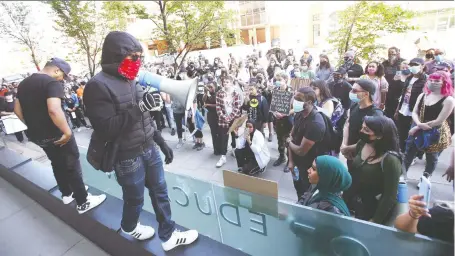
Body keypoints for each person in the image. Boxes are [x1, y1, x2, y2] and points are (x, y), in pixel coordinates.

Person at [83, 31, 197, 250]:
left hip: (149, 148)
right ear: (117, 56)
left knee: (160, 192)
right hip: (127, 156)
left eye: (139, 58)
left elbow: (143, 118)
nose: (137, 62)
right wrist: (140, 108)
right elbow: (106, 129)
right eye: (133, 58)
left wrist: (161, 143)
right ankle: (128, 226)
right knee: (135, 199)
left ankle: (169, 234)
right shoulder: (97, 86)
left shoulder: (131, 79)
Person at [14, 58, 106, 214]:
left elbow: (17, 109)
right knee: (72, 164)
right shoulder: (51, 83)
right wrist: (67, 131)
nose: (63, 79)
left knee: (56, 162)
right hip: (55, 132)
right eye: (63, 75)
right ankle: (83, 202)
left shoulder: (23, 83)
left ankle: (67, 193)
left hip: (37, 135)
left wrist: (33, 125)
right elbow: (54, 110)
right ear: (56, 70)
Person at [343, 116, 402, 224]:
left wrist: (375, 220)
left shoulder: (391, 160)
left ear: (379, 136)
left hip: (373, 208)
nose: (361, 131)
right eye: (362, 127)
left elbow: (389, 196)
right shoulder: (363, 143)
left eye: (366, 130)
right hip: (358, 202)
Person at [403, 71, 454, 188]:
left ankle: (426, 177)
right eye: (431, 80)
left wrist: (417, 126)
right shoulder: (423, 95)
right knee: (409, 152)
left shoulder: (449, 100)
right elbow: (414, 112)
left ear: (444, 82)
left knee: (432, 157)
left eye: (437, 81)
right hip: (418, 126)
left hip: (434, 131)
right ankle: (402, 175)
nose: (433, 83)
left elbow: (439, 121)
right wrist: (418, 124)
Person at [288, 87, 330, 198]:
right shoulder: (299, 114)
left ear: (309, 102)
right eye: (294, 97)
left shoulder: (315, 123)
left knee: (308, 193)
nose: (294, 101)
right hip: (297, 164)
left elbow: (301, 150)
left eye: (298, 99)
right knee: (298, 188)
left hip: (309, 167)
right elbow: (292, 136)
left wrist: (288, 143)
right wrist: (291, 161)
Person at [340, 79, 383, 166]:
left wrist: (348, 148)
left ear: (366, 94)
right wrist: (344, 144)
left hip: (366, 157)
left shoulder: (375, 114)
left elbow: (372, 139)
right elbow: (347, 124)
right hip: (350, 154)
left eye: (355, 90)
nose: (351, 92)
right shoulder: (354, 105)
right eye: (351, 89)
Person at [394, 58, 427, 152]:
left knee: (412, 134)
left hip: (413, 111)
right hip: (403, 109)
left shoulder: (425, 80)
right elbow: (403, 94)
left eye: (416, 65)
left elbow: (423, 100)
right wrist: (397, 109)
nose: (413, 67)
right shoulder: (409, 78)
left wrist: (417, 114)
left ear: (422, 66)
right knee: (401, 132)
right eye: (411, 65)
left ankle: (410, 154)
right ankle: (401, 151)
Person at [215, 75, 242, 168]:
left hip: (234, 118)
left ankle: (234, 149)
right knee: (223, 137)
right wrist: (224, 117)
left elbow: (237, 107)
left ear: (231, 83)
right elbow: (218, 107)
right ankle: (223, 156)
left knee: (234, 135)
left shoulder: (236, 93)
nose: (225, 83)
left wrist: (230, 117)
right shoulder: (219, 93)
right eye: (224, 82)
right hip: (223, 120)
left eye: (227, 82)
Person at [272, 73, 294, 172]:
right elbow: (273, 105)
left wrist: (285, 114)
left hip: (288, 121)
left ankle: (290, 161)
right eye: (277, 80)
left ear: (285, 80)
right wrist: (274, 112)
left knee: (288, 142)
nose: (278, 82)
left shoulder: (292, 92)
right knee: (280, 140)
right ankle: (281, 157)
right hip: (278, 120)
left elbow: (296, 108)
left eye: (280, 79)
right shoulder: (275, 90)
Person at [383, 47, 406, 117]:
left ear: (397, 53)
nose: (391, 54)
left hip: (399, 89)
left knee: (397, 109)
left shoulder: (403, 62)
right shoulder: (384, 63)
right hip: (388, 89)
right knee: (387, 109)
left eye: (392, 52)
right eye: (389, 53)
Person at [203, 82, 219, 155]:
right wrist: (206, 93)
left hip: (218, 115)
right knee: (213, 133)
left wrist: (208, 104)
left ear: (215, 87)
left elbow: (217, 104)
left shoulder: (217, 94)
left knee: (219, 133)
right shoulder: (207, 94)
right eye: (209, 87)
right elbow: (203, 100)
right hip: (211, 116)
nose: (210, 88)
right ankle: (215, 149)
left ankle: (220, 149)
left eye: (211, 87)